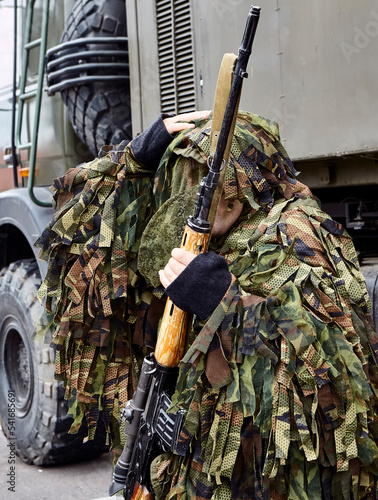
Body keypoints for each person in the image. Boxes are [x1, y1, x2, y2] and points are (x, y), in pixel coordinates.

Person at [35, 109, 378, 499]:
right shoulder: (185, 233)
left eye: (222, 173)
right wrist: (131, 162)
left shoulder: (295, 233)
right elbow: (74, 247)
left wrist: (227, 307)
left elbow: (333, 385)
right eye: (193, 175)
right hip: (195, 470)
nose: (208, 190)